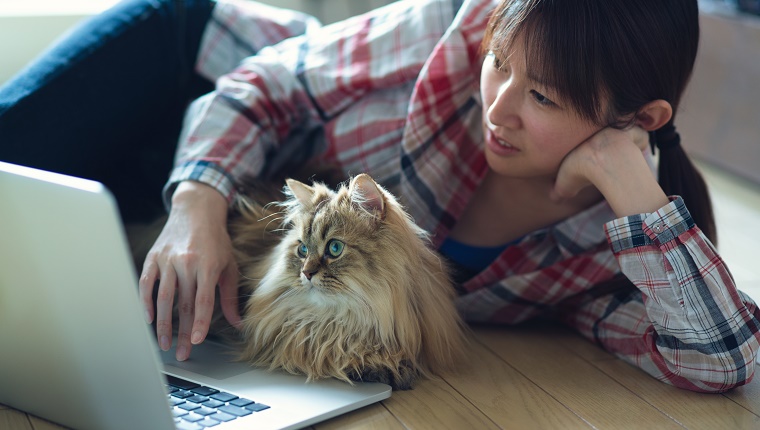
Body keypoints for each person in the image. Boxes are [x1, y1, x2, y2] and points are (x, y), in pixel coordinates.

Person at [1, 0, 758, 393]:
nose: (496, 110)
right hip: (187, 76)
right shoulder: (446, 31)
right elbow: (266, 85)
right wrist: (196, 199)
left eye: (546, 98)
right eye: (500, 64)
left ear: (642, 119)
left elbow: (722, 365)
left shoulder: (605, 254)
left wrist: (633, 185)